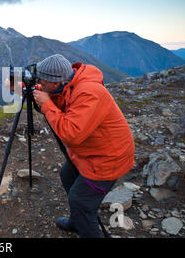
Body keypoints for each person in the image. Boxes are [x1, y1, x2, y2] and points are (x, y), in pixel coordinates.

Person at [11, 54, 135, 238]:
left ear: (54, 83)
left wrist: (46, 104)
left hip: (109, 159)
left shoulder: (88, 93)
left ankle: (84, 219)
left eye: (41, 81)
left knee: (80, 200)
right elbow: (57, 97)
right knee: (67, 174)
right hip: (92, 152)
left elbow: (71, 135)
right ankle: (78, 221)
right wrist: (26, 87)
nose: (39, 83)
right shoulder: (67, 83)